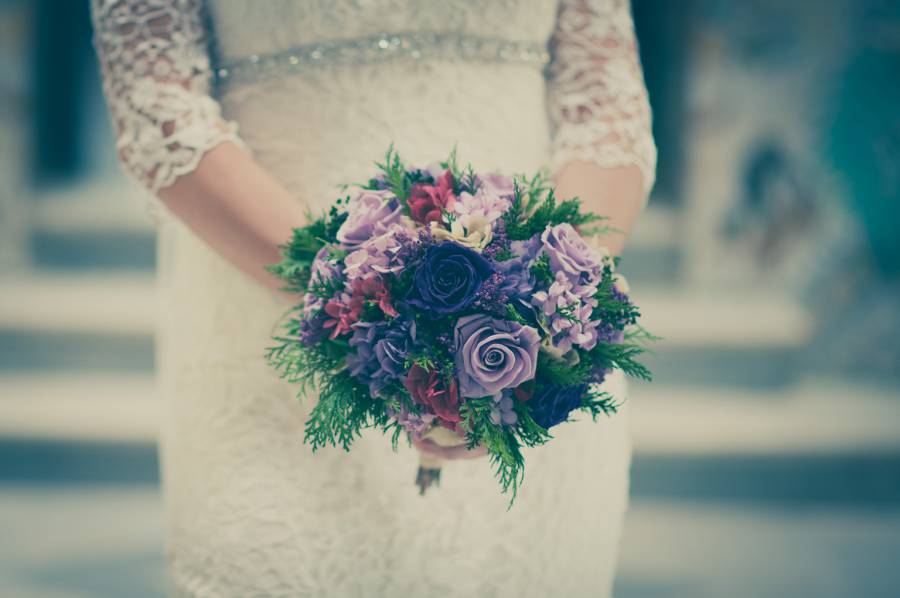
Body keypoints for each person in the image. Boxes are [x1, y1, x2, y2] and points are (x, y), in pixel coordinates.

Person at [92, 0, 655, 595]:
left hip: (524, 337)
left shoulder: (537, 317)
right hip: (271, 322)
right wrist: (361, 302)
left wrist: (552, 302)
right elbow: (158, 112)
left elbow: (607, 113)